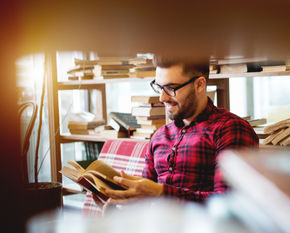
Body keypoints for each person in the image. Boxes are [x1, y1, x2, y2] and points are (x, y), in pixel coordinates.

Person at [96, 56, 259, 208]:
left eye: (171, 88)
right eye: (159, 87)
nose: (162, 98)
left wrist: (160, 192)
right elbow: (144, 199)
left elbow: (230, 205)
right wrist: (118, 201)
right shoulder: (159, 136)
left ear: (200, 84)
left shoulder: (231, 129)